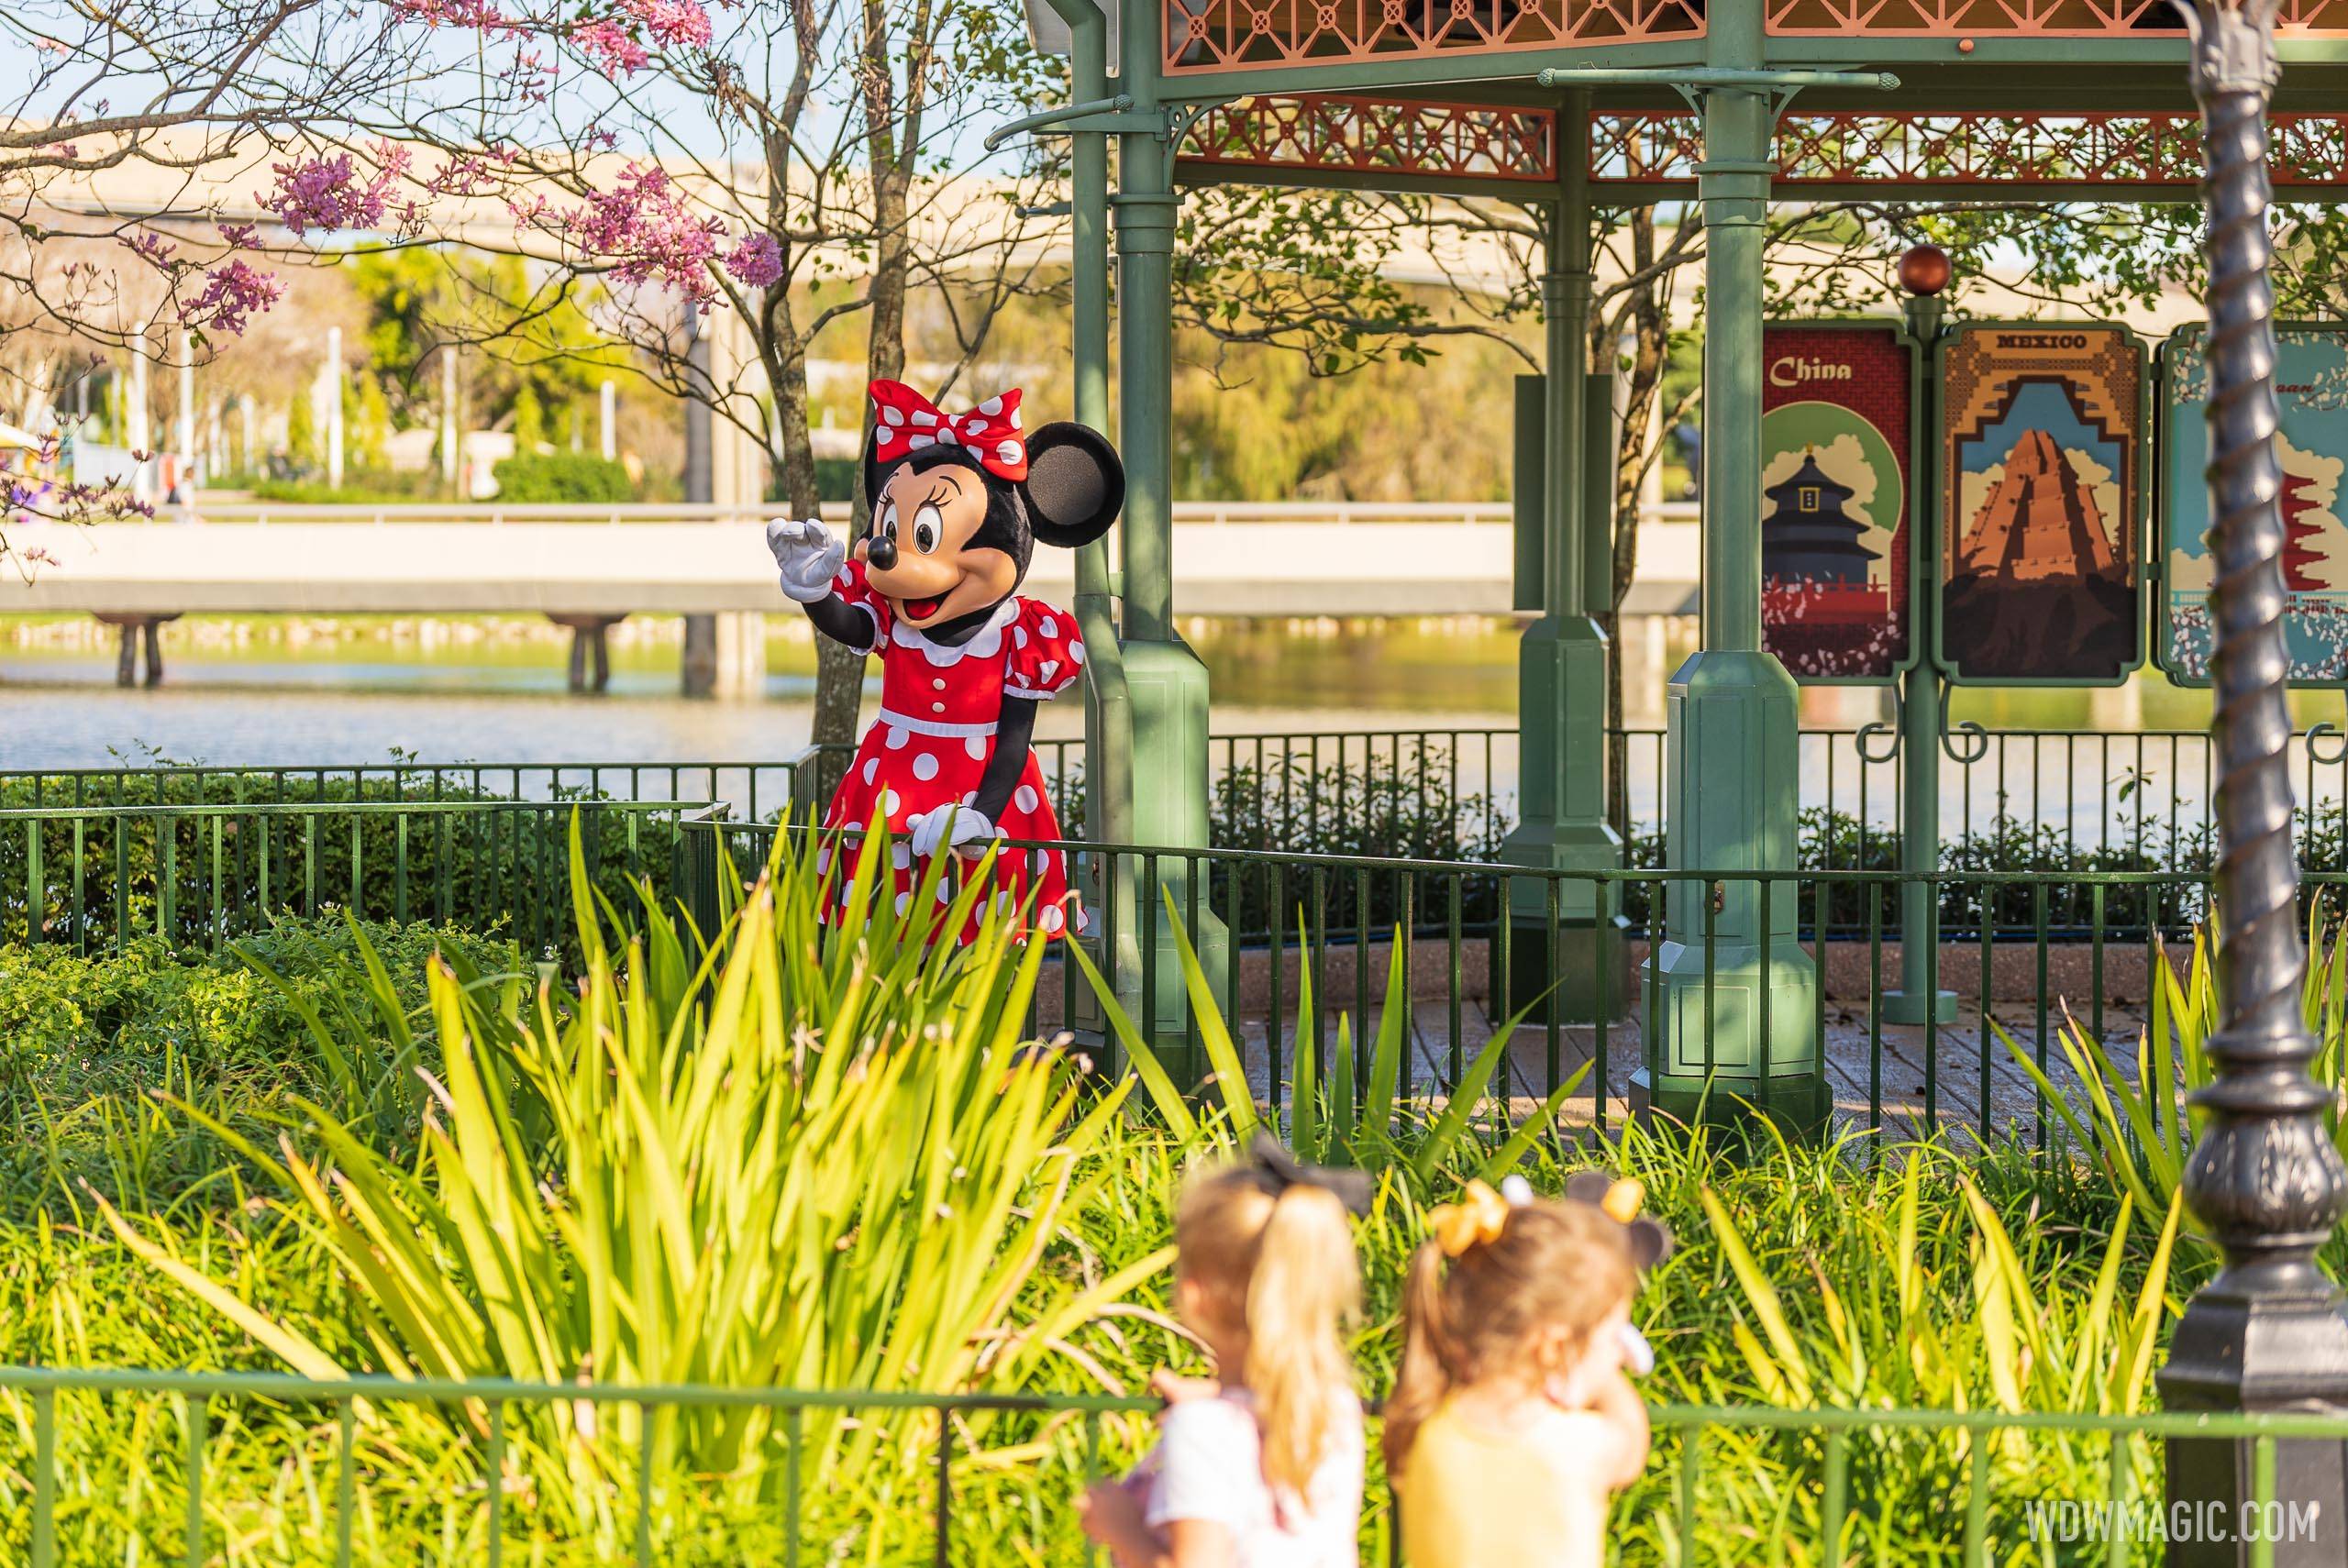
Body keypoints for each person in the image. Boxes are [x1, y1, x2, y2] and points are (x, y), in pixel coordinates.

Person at [762, 381, 1121, 942]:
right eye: (889, 531)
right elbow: (852, 626)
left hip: (986, 790)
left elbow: (1013, 739)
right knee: (887, 923)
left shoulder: (1019, 633)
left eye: (923, 535)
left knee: (984, 926)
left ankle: (986, 1025)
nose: (888, 554)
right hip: (890, 783)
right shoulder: (893, 617)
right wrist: (814, 594)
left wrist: (983, 813)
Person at [1079, 1138, 1368, 1568]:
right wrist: (1214, 1398)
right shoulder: (1331, 1410)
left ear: (1196, 1295)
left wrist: (1123, 1530)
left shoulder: (1200, 1432)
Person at [1385, 1177, 1654, 1568]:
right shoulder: (1575, 1446)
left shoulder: (1420, 1429)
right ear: (1553, 1346)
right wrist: (1605, 1380)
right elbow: (1631, 1442)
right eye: (1612, 1339)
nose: (1618, 1354)